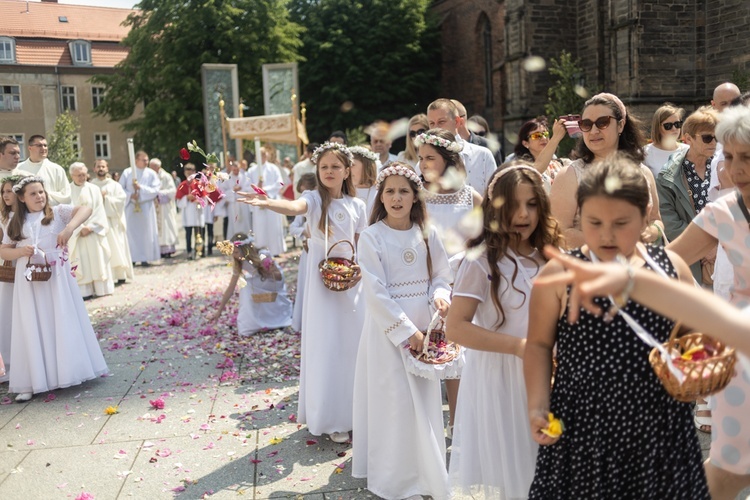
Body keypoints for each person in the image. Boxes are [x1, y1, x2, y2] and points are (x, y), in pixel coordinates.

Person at [524, 156, 707, 498]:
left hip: (661, 427)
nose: (606, 234)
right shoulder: (559, 274)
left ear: (646, 214)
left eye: (621, 222)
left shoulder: (671, 267)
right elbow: (537, 344)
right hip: (584, 429)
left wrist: (694, 368)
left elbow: (691, 337)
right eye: (594, 222)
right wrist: (538, 405)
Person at [446, 163, 563, 498]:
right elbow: (456, 328)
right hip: (505, 377)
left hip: (553, 373)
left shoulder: (550, 256)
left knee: (555, 466)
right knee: (522, 473)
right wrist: (519, 346)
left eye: (531, 204)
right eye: (512, 206)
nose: (523, 214)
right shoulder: (482, 261)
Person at [238, 142, 366, 444]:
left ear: (347, 171)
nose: (330, 171)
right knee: (328, 346)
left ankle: (356, 412)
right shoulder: (314, 199)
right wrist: (269, 203)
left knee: (352, 346)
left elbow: (361, 244)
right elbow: (294, 207)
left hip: (350, 283)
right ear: (317, 171)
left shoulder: (357, 206)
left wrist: (359, 271)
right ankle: (332, 417)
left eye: (336, 167)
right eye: (324, 167)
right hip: (323, 285)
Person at [352, 162, 452, 500]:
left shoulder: (428, 232)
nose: (396, 198)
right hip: (389, 333)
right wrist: (408, 332)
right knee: (393, 402)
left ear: (415, 197)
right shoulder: (371, 237)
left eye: (403, 191)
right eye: (390, 191)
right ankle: (395, 480)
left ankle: (426, 475)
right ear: (381, 196)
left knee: (423, 404)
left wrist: (440, 297)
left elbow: (441, 274)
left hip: (425, 326)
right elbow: (376, 292)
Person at [667, 104, 750, 500]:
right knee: (730, 470)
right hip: (740, 356)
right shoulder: (722, 212)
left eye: (747, 157)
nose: (736, 169)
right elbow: (668, 262)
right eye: (729, 157)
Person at [1, 176, 109, 402]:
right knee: (32, 324)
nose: (39, 196)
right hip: (28, 279)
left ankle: (66, 371)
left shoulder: (57, 213)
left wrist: (69, 228)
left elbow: (85, 209)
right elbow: (4, 251)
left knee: (59, 320)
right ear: (21, 198)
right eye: (33, 193)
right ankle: (31, 379)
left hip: (56, 278)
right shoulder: (15, 222)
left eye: (41, 192)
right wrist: (21, 252)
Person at [415, 128, 482, 438]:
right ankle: (423, 428)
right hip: (422, 281)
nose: (424, 163)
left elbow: (484, 241)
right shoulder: (417, 197)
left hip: (461, 283)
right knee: (424, 353)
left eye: (430, 157)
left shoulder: (471, 196)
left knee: (458, 356)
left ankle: (457, 423)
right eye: (420, 158)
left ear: (448, 160)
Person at [549, 92, 664, 248]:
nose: (594, 131)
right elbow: (560, 232)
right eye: (586, 124)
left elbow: (655, 219)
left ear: (621, 125)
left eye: (602, 122)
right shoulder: (569, 175)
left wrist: (651, 232)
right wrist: (614, 245)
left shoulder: (643, 172)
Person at [656, 106, 719, 283]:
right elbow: (668, 220)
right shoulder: (668, 175)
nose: (713, 143)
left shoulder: (723, 168)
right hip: (690, 263)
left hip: (725, 256)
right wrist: (703, 247)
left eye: (717, 137)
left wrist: (717, 246)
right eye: (707, 138)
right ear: (688, 139)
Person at [210, 233, 292, 335]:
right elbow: (231, 288)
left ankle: (251, 324)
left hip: (273, 281)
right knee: (245, 284)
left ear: (244, 250)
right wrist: (219, 311)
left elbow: (278, 277)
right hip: (259, 279)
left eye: (236, 252)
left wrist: (269, 270)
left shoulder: (262, 255)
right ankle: (250, 323)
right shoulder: (239, 262)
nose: (234, 255)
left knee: (246, 285)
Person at [427, 98, 497, 195]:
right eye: (431, 123)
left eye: (441, 122)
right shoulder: (424, 162)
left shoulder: (483, 156)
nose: (436, 128)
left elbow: (495, 197)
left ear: (457, 122)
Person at [68, 162, 114, 298]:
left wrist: (91, 227)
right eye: (78, 175)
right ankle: (85, 291)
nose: (82, 178)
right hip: (78, 234)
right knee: (81, 262)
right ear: (72, 176)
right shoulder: (67, 191)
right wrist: (80, 228)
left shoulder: (94, 189)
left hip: (93, 231)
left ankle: (102, 289)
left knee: (98, 260)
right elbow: (68, 211)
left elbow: (99, 210)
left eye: (84, 174)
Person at [89, 159, 133, 284]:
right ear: (94, 169)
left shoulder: (115, 185)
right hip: (97, 223)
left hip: (113, 222)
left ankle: (120, 275)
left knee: (116, 247)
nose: (101, 169)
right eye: (98, 166)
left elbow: (121, 201)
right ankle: (106, 276)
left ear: (107, 169)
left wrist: (106, 198)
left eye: (103, 166)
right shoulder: (91, 186)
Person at [0, 175, 25, 382]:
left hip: (25, 266)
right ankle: (8, 361)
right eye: (3, 192)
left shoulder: (26, 216)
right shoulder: (4, 216)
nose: (6, 195)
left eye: (9, 191)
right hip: (8, 267)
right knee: (8, 311)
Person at [119, 151, 160, 266]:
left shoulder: (151, 173)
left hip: (146, 206)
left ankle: (145, 258)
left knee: (146, 233)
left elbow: (156, 190)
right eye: (144, 160)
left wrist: (140, 188)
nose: (146, 162)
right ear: (136, 160)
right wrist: (130, 195)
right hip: (131, 206)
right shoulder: (127, 172)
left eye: (147, 160)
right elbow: (119, 189)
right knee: (131, 233)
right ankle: (132, 258)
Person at [289, 173, 317, 332]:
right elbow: (293, 228)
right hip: (309, 249)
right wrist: (305, 231)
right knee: (307, 285)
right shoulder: (304, 205)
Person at [245, 147, 286, 256]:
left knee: (273, 225)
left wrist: (265, 189)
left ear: (266, 156)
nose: (262, 157)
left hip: (271, 200)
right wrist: (256, 188)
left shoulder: (273, 168)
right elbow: (246, 185)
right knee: (260, 226)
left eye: (263, 155)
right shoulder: (251, 170)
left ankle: (275, 250)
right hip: (258, 202)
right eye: (259, 155)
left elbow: (280, 183)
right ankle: (261, 248)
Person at [512, 117, 569, 190]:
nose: (544, 138)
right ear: (526, 143)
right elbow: (535, 171)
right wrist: (556, 137)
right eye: (536, 135)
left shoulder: (562, 163)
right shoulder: (522, 168)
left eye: (545, 134)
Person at [16, 135, 71, 206]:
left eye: (45, 145)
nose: (43, 148)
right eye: (39, 145)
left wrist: (44, 195)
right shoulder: (18, 169)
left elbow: (66, 195)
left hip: (52, 212)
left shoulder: (57, 169)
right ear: (30, 148)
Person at [643, 103, 689, 176]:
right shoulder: (646, 152)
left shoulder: (688, 151)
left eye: (677, 124)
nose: (674, 129)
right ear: (658, 127)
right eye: (668, 126)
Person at [175, 163, 205, 260]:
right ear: (185, 173)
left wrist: (198, 200)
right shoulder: (182, 185)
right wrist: (186, 198)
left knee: (198, 234)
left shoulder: (199, 184)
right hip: (187, 212)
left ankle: (199, 251)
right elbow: (178, 202)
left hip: (196, 212)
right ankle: (188, 251)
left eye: (192, 172)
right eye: (188, 172)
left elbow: (205, 198)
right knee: (188, 234)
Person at [149, 158, 179, 258]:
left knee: (166, 227)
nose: (151, 169)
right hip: (154, 206)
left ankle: (167, 250)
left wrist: (159, 193)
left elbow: (172, 191)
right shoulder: (149, 176)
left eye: (153, 167)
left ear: (158, 167)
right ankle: (157, 249)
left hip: (165, 206)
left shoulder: (166, 176)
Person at [348, 145, 378, 217]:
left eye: (352, 165)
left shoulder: (379, 191)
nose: (348, 169)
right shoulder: (344, 190)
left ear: (366, 166)